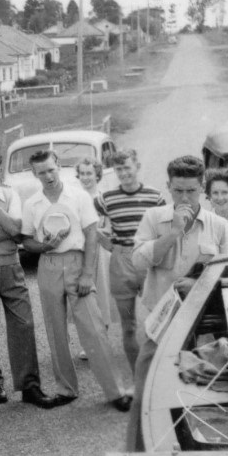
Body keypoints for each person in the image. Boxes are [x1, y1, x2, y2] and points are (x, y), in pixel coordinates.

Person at [98, 155, 228, 456]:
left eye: (192, 191)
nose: (186, 198)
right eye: (179, 191)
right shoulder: (153, 218)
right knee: (145, 399)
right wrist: (174, 232)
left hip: (202, 335)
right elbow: (139, 261)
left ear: (202, 190)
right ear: (169, 187)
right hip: (162, 330)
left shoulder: (219, 227)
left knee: (204, 401)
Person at [21, 150, 132, 410]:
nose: (48, 176)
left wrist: (87, 274)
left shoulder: (78, 196)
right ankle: (66, 389)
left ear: (58, 165)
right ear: (34, 174)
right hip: (48, 265)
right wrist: (42, 246)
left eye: (51, 169)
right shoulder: (32, 203)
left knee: (93, 329)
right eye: (41, 172)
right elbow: (25, 240)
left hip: (76, 262)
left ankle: (115, 391)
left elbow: (92, 235)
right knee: (55, 330)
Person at [0, 148, 55, 408]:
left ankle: (29, 386)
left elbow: (17, 229)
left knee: (23, 324)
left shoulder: (9, 194)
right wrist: (9, 234)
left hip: (10, 266)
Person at [94, 149, 166, 370]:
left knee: (160, 320)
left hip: (148, 259)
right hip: (121, 261)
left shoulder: (155, 197)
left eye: (127, 167)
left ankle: (159, 373)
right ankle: (138, 376)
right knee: (128, 326)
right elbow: (92, 226)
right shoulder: (106, 199)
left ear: (137, 166)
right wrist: (108, 244)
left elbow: (165, 230)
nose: (123, 173)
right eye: (118, 169)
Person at [75, 157, 111, 329]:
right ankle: (90, 336)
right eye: (82, 173)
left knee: (101, 293)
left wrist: (96, 232)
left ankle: (102, 331)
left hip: (100, 250)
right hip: (81, 249)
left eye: (89, 173)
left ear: (97, 175)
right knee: (83, 294)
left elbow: (110, 229)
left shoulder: (103, 199)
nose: (85, 177)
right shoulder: (76, 198)